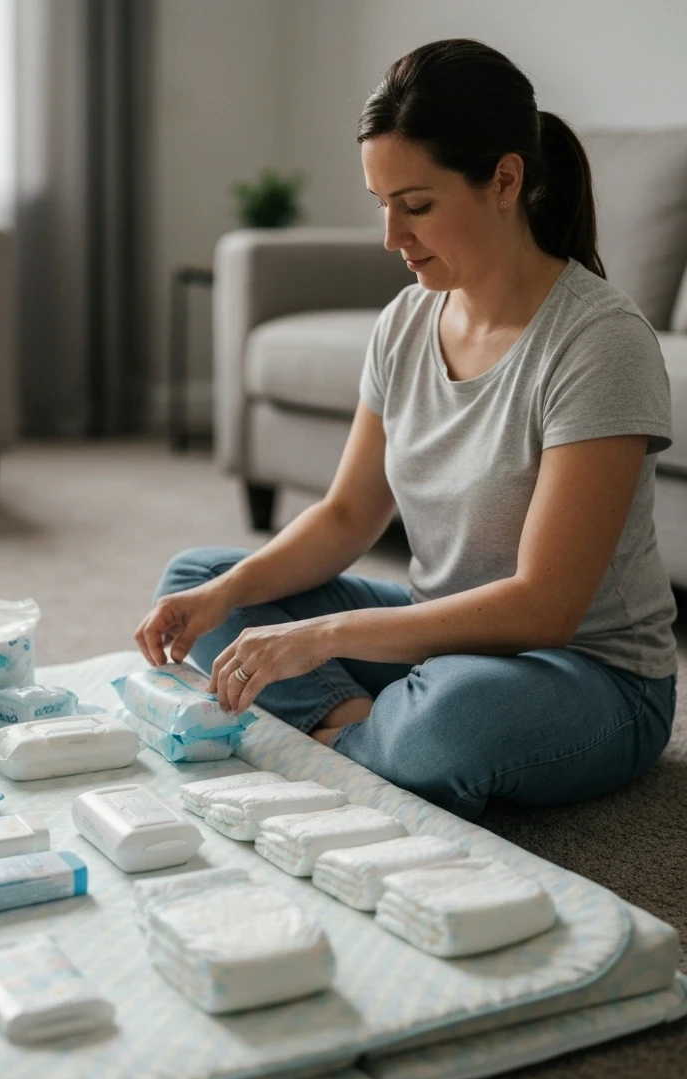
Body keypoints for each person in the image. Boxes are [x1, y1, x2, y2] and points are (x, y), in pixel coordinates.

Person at [133, 37, 678, 821]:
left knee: (456, 721)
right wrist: (226, 596)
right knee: (198, 584)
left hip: (584, 673)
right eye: (380, 204)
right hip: (441, 644)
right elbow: (349, 515)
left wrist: (321, 640)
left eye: (416, 205)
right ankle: (356, 736)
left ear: (505, 180)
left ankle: (354, 738)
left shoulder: (599, 342)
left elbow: (543, 609)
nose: (392, 237)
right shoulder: (405, 322)